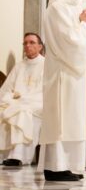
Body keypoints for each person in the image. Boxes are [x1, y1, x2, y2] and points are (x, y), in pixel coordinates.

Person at [37, 0, 86, 181]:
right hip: (63, 73)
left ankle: (71, 165)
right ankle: (55, 167)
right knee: (63, 120)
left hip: (79, 73)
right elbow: (69, 42)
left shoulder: (80, 2)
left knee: (77, 119)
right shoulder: (57, 7)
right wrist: (84, 24)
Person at [0, 33, 44, 166]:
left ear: (40, 46)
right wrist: (11, 97)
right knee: (5, 110)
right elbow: (6, 89)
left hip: (38, 103)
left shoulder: (46, 65)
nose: (28, 46)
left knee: (22, 112)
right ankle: (4, 156)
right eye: (25, 43)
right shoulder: (19, 66)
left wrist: (22, 98)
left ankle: (18, 156)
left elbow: (44, 91)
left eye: (31, 42)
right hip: (18, 102)